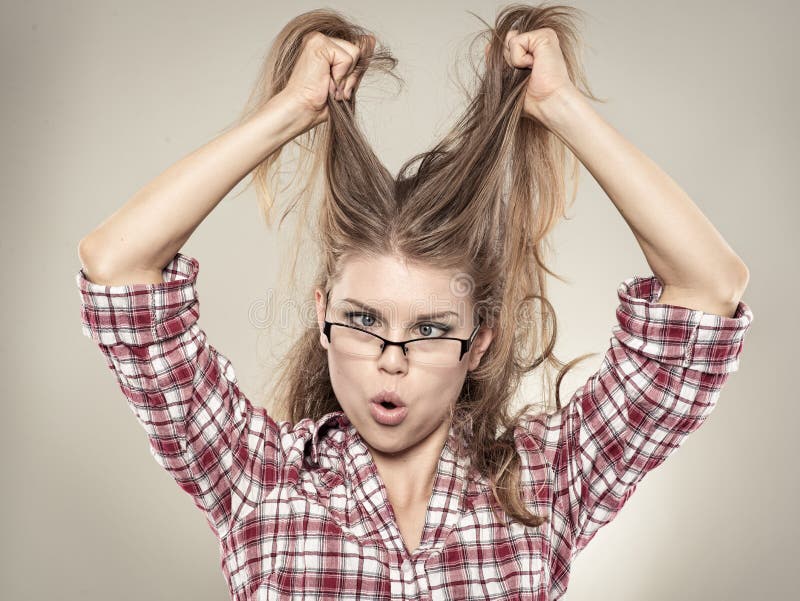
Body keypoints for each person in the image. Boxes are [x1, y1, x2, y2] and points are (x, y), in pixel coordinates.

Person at [75, 4, 754, 600]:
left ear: (479, 339)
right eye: (365, 320)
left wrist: (557, 106)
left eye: (430, 328)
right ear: (322, 316)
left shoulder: (545, 485)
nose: (390, 361)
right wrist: (291, 112)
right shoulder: (258, 478)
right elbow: (117, 265)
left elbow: (708, 287)